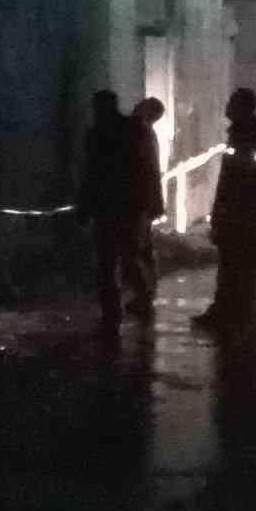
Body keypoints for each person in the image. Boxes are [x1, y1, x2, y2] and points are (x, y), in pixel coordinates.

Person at [194, 88, 256, 333]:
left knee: (241, 264)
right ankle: (228, 309)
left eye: (232, 104)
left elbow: (246, 179)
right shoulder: (239, 134)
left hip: (245, 212)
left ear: (244, 108)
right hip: (234, 211)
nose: (228, 108)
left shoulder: (254, 136)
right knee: (230, 264)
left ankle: (239, 312)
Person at [80, 90, 146, 338]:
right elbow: (143, 168)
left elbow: (91, 173)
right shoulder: (130, 130)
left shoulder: (98, 134)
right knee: (125, 257)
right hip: (126, 206)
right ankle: (137, 299)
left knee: (109, 261)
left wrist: (85, 206)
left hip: (110, 207)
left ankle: (113, 311)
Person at [122, 97, 169, 325]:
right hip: (143, 202)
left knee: (133, 250)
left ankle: (143, 295)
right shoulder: (146, 134)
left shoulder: (140, 133)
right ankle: (145, 293)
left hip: (136, 202)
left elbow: (143, 171)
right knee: (142, 249)